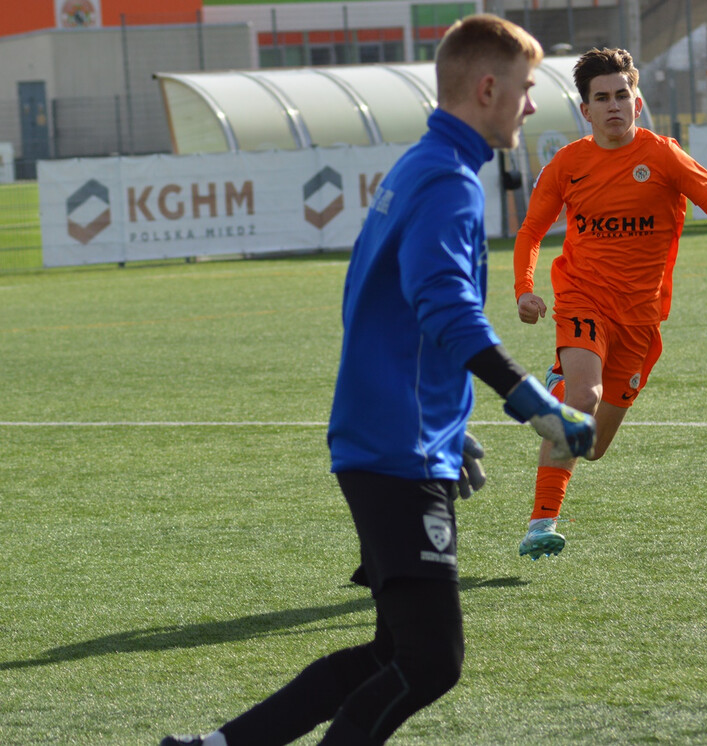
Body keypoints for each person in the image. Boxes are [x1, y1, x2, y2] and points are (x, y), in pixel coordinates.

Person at [161, 15, 595, 746]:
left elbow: (373, 302)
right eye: (524, 89)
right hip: (396, 452)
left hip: (395, 437)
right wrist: (535, 404)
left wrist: (449, 427)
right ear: (487, 87)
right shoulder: (449, 183)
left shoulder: (419, 164)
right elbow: (445, 309)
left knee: (392, 655)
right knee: (432, 663)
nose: (529, 105)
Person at [512, 47, 707, 560]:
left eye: (621, 95)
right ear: (585, 111)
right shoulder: (568, 164)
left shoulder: (664, 157)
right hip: (582, 299)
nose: (613, 105)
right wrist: (525, 288)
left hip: (641, 319)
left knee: (593, 446)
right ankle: (542, 523)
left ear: (638, 100)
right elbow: (532, 229)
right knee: (582, 399)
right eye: (601, 98)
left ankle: (559, 385)